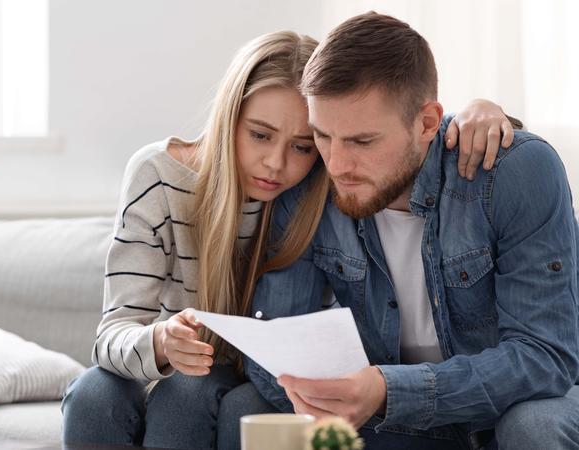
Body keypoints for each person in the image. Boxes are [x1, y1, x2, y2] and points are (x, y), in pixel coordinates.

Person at [62, 29, 517, 450]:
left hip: (256, 376)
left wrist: (484, 110)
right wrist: (161, 342)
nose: (276, 164)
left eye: (303, 145)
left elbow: (403, 134)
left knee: (191, 394)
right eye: (259, 135)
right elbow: (112, 335)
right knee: (92, 395)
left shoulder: (326, 181)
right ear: (228, 115)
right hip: (167, 361)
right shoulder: (158, 175)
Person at [245, 12, 579, 450]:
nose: (337, 165)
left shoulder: (514, 172)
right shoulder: (310, 182)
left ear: (426, 124)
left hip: (509, 405)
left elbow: (545, 358)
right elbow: (276, 345)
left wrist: (388, 390)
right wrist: (336, 393)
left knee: (532, 425)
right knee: (244, 408)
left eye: (362, 142)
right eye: (323, 136)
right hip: (395, 417)